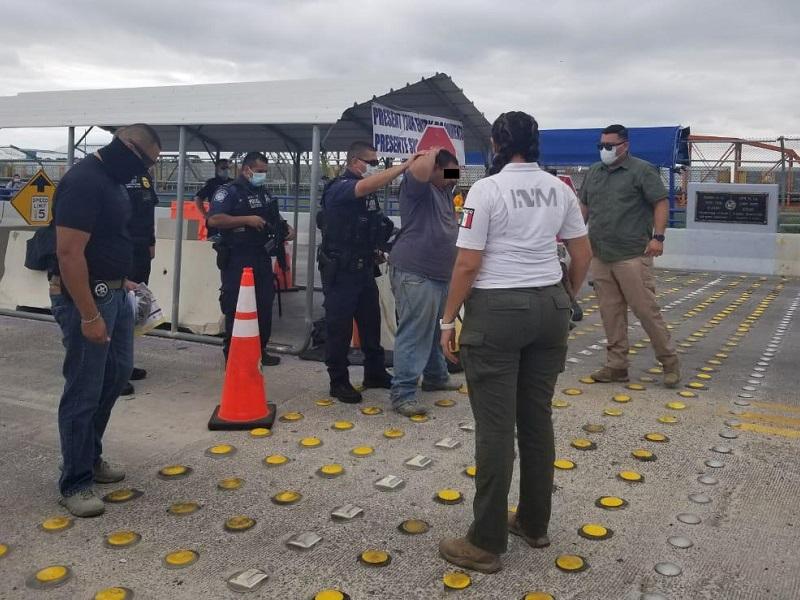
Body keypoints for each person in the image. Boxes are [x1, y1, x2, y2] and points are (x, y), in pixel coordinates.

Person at [437, 111, 592, 573]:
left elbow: (468, 264)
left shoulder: (486, 190)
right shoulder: (559, 187)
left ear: (497, 144)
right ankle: (533, 521)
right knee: (536, 419)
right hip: (551, 306)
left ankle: (484, 542)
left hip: (499, 310)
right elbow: (581, 253)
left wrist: (448, 320)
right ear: (536, 143)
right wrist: (565, 297)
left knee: (496, 427)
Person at [51, 124, 162, 517]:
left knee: (115, 378)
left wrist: (123, 282)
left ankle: (90, 457)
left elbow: (107, 240)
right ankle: (75, 480)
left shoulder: (113, 183)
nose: (146, 171)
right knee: (83, 390)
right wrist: (88, 314)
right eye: (147, 161)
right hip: (89, 300)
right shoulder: (85, 181)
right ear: (128, 148)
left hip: (114, 292)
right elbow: (68, 254)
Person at [579, 124, 680, 387]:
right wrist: (577, 237)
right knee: (610, 314)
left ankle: (669, 362)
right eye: (601, 146)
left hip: (633, 255)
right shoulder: (594, 172)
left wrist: (658, 237)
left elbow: (660, 201)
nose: (605, 150)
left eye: (609, 146)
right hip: (601, 255)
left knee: (646, 311)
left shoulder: (642, 170)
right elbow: (584, 206)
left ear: (625, 146)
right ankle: (616, 366)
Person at [318, 142, 419, 403]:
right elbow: (365, 186)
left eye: (377, 163)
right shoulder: (340, 188)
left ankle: (374, 372)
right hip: (341, 270)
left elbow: (373, 224)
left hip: (364, 267)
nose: (374, 167)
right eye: (370, 162)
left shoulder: (368, 195)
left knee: (370, 323)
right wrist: (405, 166)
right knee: (339, 327)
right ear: (354, 162)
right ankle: (338, 381)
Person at [388, 147, 462, 416]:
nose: (454, 178)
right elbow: (417, 170)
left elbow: (453, 178)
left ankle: (435, 376)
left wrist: (450, 167)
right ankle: (403, 393)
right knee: (414, 332)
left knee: (433, 330)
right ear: (433, 170)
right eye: (449, 172)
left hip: (439, 274)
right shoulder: (417, 187)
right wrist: (433, 151)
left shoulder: (444, 191)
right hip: (415, 272)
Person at [207, 151, 294, 366]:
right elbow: (214, 219)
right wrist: (247, 219)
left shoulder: (264, 193)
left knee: (264, 305)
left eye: (265, 172)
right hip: (237, 258)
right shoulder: (228, 192)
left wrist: (285, 228)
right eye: (259, 171)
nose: (262, 175)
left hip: (261, 257)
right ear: (246, 170)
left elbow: (274, 218)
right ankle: (233, 355)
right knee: (236, 305)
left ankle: (260, 350)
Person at [120, 169, 160, 395]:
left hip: (141, 249)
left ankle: (124, 363)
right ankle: (113, 370)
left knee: (135, 308)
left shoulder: (145, 178)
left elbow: (148, 214)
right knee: (117, 307)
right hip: (121, 247)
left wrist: (151, 242)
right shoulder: (116, 175)